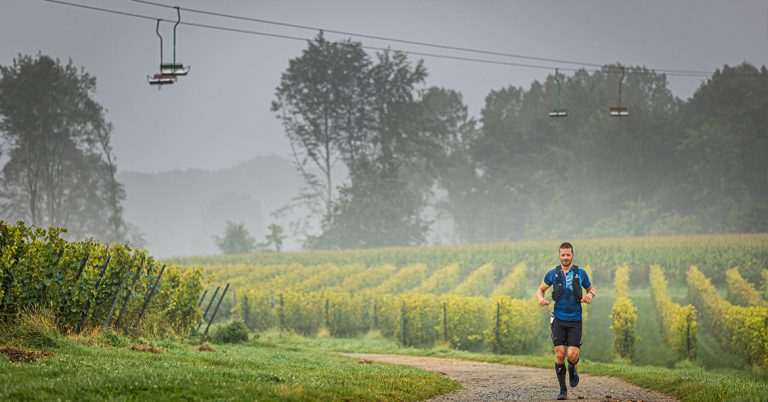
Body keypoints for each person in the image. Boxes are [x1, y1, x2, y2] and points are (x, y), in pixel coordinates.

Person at [537, 242, 595, 400]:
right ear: (559, 255)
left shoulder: (581, 273)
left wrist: (590, 295)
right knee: (560, 353)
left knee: (572, 354)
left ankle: (573, 367)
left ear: (572, 255)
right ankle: (563, 390)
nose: (565, 257)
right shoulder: (552, 273)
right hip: (558, 319)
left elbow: (591, 289)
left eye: (568, 254)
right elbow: (540, 289)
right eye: (563, 254)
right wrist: (541, 299)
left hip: (575, 320)